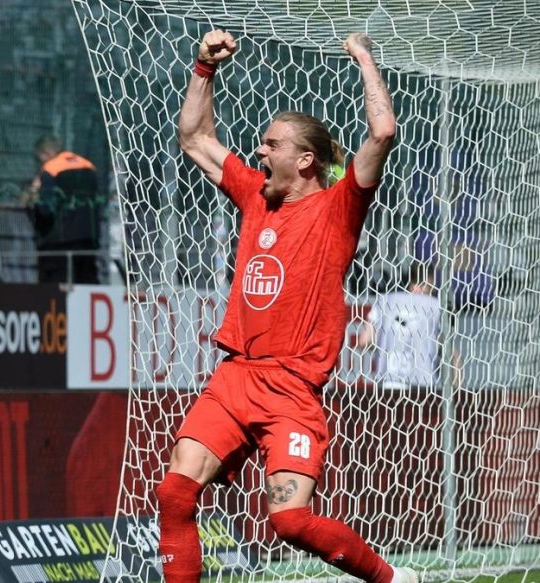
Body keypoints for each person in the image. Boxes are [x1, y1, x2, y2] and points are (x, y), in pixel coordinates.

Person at [161, 30, 417, 583]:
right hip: (235, 377)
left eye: (270, 144)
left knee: (291, 523)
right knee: (174, 492)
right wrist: (204, 68)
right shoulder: (255, 194)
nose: (259, 150)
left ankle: (393, 580)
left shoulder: (337, 209)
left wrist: (365, 59)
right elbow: (195, 138)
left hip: (291, 390)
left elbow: (383, 131)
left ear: (304, 160)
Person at [20, 134, 102, 284]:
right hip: (89, 240)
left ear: (45, 154)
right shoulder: (89, 166)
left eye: (40, 158)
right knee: (87, 286)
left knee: (56, 294)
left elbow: (46, 210)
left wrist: (33, 201)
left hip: (59, 245)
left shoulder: (51, 169)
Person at [356, 262, 443, 390]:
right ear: (430, 281)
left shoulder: (385, 301)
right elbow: (449, 352)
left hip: (388, 384)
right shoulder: (436, 306)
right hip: (424, 386)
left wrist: (389, 343)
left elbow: (363, 341)